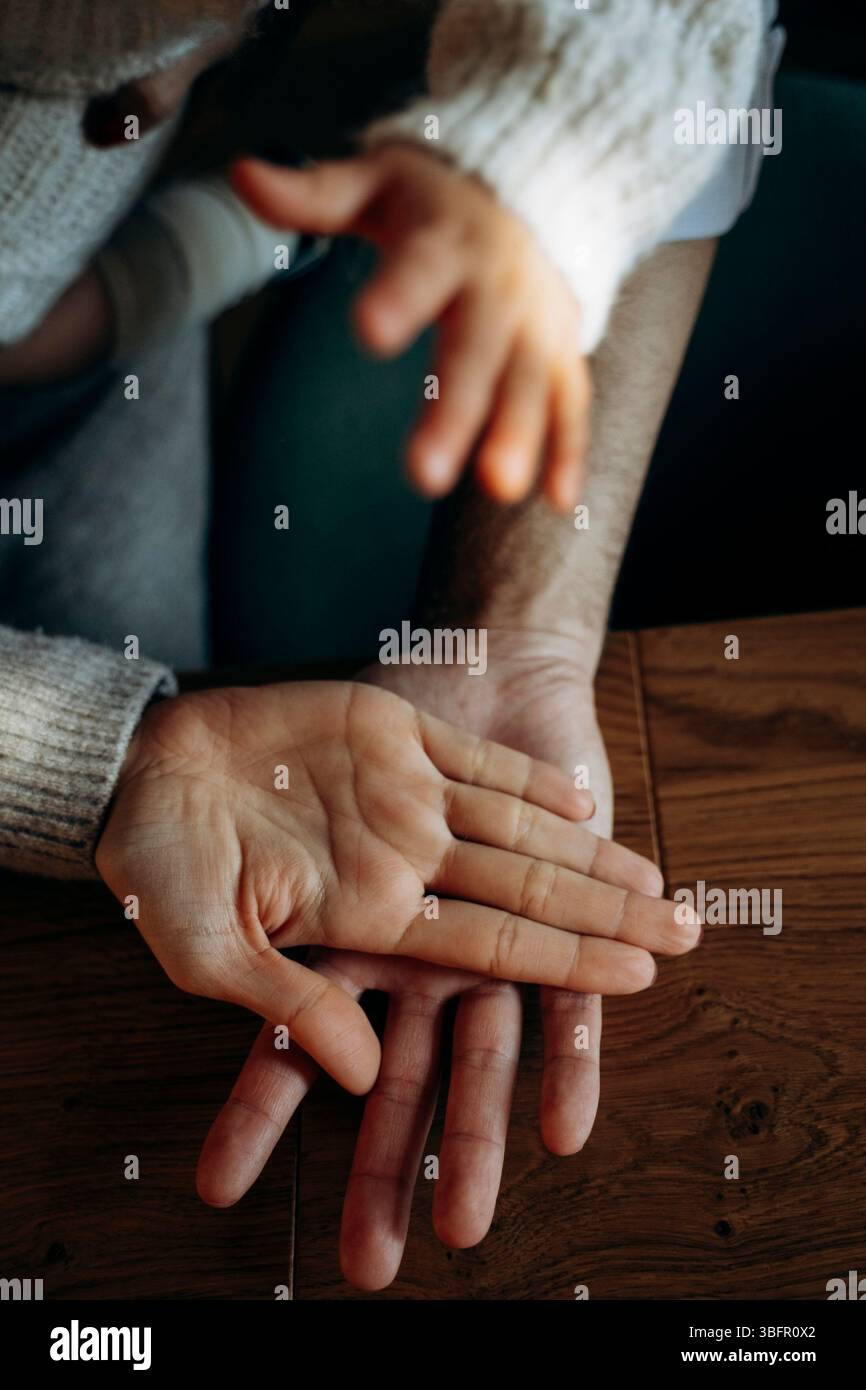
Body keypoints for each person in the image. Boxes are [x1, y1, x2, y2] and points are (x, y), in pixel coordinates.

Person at [0, 0, 777, 1287]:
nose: (145, 101)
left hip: (79, 373)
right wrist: (74, 754)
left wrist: (512, 631)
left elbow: (671, 34)